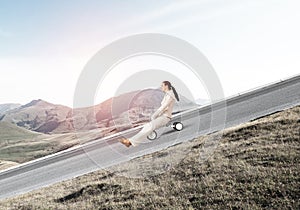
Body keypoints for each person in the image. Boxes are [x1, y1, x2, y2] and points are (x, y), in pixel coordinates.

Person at [119, 81, 180, 147]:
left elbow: (164, 107)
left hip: (165, 117)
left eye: (162, 85)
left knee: (149, 126)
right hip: (162, 116)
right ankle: (130, 141)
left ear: (166, 86)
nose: (161, 87)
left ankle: (129, 142)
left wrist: (155, 115)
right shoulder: (167, 95)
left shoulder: (170, 96)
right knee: (147, 126)